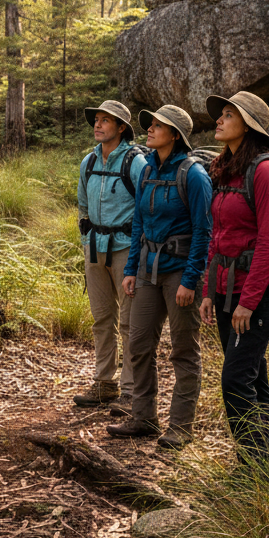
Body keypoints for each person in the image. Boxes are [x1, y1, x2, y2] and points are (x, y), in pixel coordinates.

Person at [109, 105, 212, 449]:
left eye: (157, 126)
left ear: (175, 135)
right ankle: (144, 418)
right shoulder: (147, 170)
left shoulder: (193, 175)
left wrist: (191, 279)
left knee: (184, 351)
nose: (149, 130)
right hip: (147, 272)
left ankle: (181, 427)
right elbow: (139, 223)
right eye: (150, 125)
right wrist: (131, 270)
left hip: (180, 273)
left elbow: (203, 231)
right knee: (138, 345)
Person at [200, 91, 269, 471]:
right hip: (225, 290)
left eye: (228, 114)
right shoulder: (225, 169)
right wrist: (208, 291)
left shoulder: (266, 171)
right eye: (220, 114)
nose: (219, 120)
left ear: (248, 125)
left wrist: (248, 301)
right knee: (252, 375)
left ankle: (252, 471)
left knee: (235, 379)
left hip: (259, 294)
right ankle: (263, 466)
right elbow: (216, 237)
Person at [74, 100, 149, 416]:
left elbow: (148, 209)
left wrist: (138, 251)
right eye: (97, 120)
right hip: (94, 249)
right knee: (102, 319)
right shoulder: (88, 162)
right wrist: (85, 239)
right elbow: (82, 206)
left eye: (107, 121)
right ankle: (105, 383)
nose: (99, 124)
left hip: (126, 251)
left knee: (129, 321)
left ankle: (131, 391)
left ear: (121, 128)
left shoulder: (136, 162)